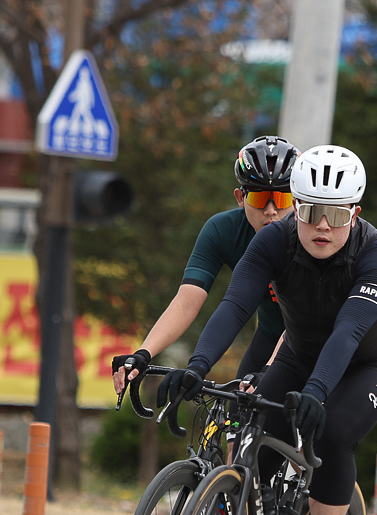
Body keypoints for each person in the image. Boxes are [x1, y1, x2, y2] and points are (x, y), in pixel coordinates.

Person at [154, 143, 377, 515]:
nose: (322, 226)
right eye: (310, 211)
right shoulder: (273, 240)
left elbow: (349, 331)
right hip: (299, 356)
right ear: (297, 206)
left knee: (332, 434)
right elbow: (235, 306)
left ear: (355, 213)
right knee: (253, 438)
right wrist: (197, 367)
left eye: (336, 215)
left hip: (365, 366)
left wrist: (317, 392)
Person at [110, 134, 297, 398]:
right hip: (269, 336)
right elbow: (188, 300)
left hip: (317, 340)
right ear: (240, 197)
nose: (270, 210)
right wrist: (144, 353)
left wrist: (271, 368)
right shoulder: (223, 230)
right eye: (258, 199)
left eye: (281, 198)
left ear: (298, 200)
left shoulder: (310, 238)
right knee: (237, 421)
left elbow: (307, 319)